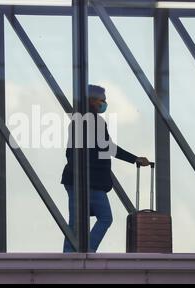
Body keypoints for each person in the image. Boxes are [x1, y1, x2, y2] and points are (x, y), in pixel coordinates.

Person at [61, 84, 150, 252]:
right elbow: (108, 147)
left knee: (75, 222)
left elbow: (69, 152)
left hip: (74, 179)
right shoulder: (94, 121)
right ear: (92, 100)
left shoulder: (77, 120)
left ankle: (69, 256)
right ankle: (87, 250)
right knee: (105, 218)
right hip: (90, 181)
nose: (104, 103)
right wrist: (134, 159)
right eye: (102, 100)